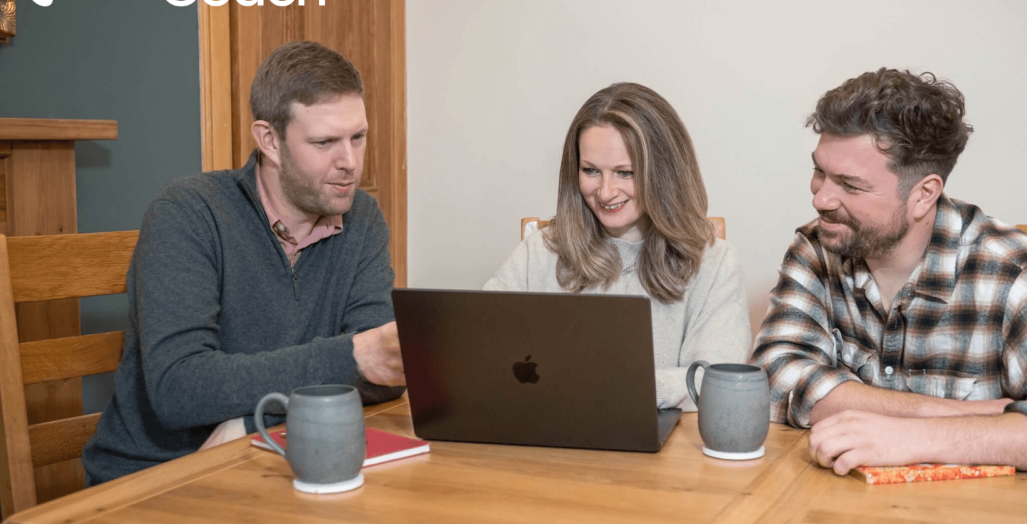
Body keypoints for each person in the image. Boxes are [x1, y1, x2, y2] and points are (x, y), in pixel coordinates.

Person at [752, 68, 1027, 476]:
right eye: (820, 171)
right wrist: (955, 413)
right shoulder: (817, 248)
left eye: (850, 185)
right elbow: (774, 375)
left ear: (924, 194)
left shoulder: (1007, 269)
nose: (820, 197)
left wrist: (914, 438)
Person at [83, 41, 406, 484]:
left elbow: (385, 373)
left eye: (358, 137)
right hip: (158, 478)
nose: (349, 162)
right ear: (269, 140)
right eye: (324, 142)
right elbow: (179, 388)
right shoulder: (188, 212)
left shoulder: (362, 218)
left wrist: (250, 424)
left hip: (275, 459)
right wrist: (351, 356)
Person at [485, 82, 751, 410]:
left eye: (625, 173)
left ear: (664, 175)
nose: (606, 192)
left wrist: (603, 383)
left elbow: (715, 383)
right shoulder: (538, 252)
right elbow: (480, 349)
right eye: (591, 171)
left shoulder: (715, 263)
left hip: (669, 457)